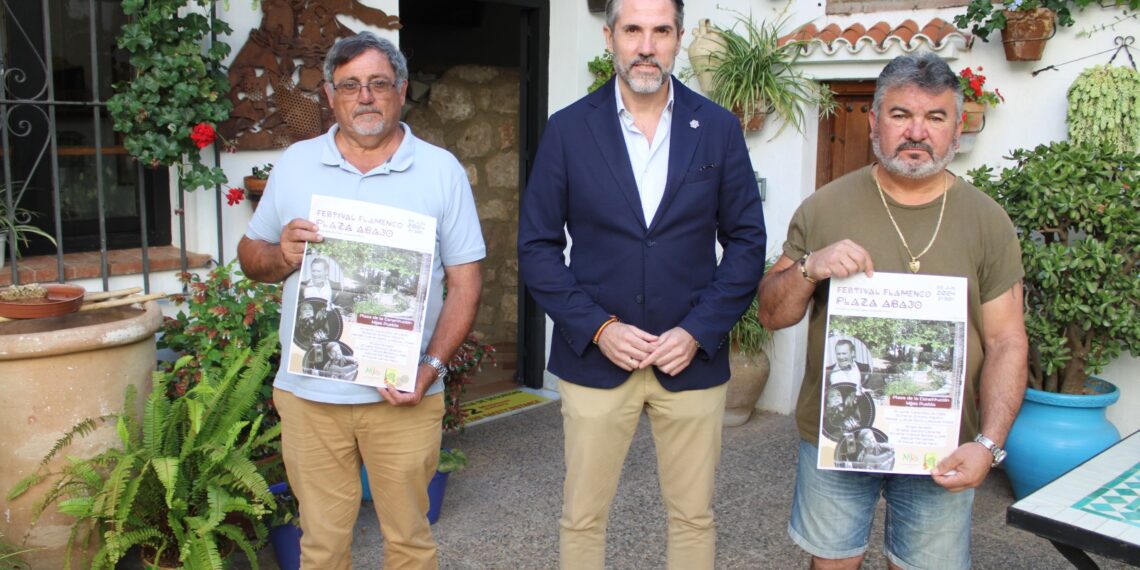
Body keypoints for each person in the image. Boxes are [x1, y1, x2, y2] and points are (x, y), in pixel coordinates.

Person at [517, 1, 767, 567]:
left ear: (679, 38)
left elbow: (747, 243)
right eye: (633, 30)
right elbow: (537, 247)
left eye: (661, 31)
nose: (647, 46)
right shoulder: (568, 130)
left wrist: (698, 331)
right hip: (596, 358)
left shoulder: (718, 128)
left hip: (690, 359)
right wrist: (598, 328)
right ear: (610, 38)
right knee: (582, 517)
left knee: (694, 517)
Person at [757, 52, 1027, 570]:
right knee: (833, 562)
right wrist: (809, 268)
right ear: (874, 121)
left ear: (957, 128)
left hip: (942, 442)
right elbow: (771, 314)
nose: (917, 132)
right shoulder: (825, 207)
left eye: (935, 117)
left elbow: (1007, 341)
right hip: (838, 436)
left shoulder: (988, 221)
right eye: (901, 114)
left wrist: (989, 445)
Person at [237, 31, 485, 570]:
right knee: (321, 546)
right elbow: (251, 256)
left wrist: (430, 368)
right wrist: (282, 255)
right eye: (350, 86)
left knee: (410, 542)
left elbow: (466, 282)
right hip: (310, 398)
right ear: (330, 95)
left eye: (378, 83)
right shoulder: (296, 163)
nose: (365, 97)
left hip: (403, 396)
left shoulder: (441, 170)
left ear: (401, 89)